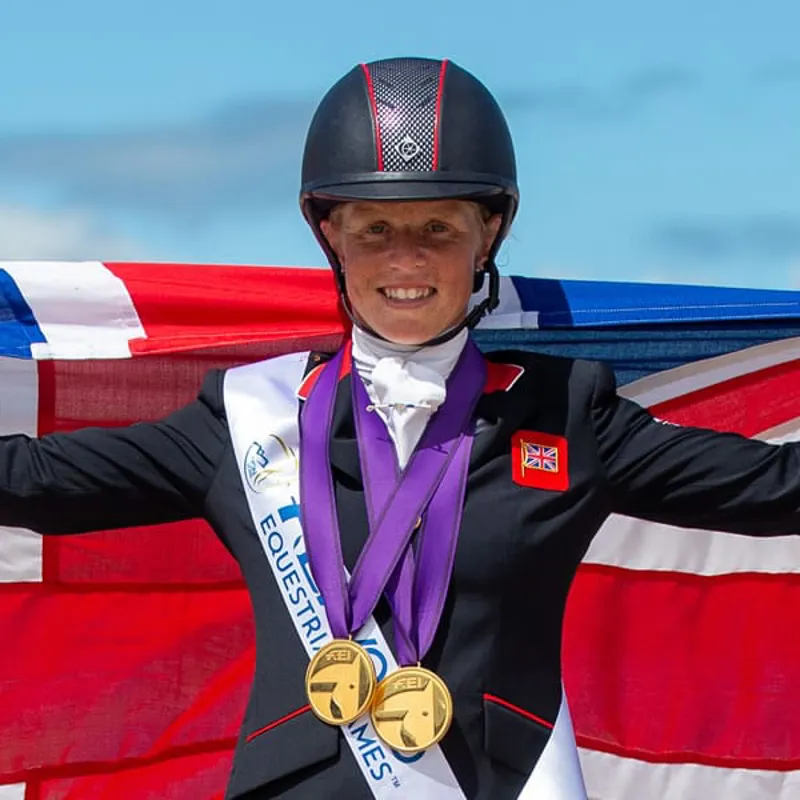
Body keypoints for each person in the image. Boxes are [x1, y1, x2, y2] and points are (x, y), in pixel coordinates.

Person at [1, 56, 799, 800]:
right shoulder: (245, 417)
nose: (406, 260)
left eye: (438, 229)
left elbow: (778, 489)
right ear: (332, 239)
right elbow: (31, 481)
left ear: (487, 237)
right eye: (375, 230)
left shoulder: (566, 413)